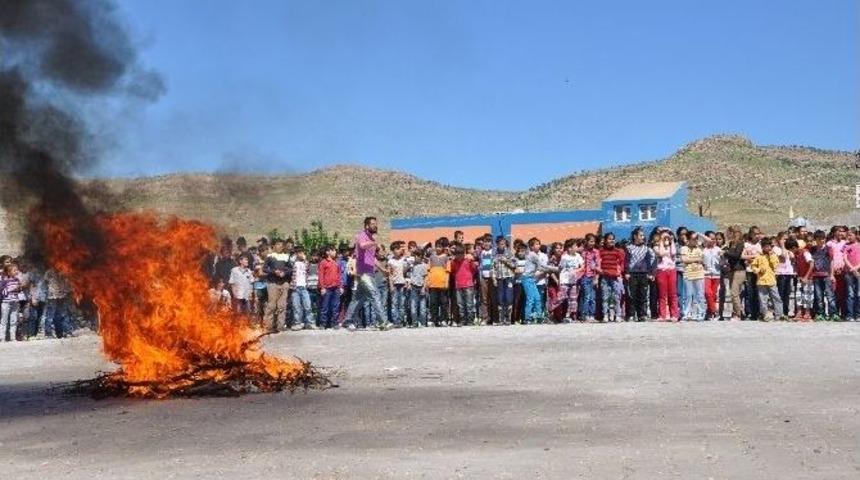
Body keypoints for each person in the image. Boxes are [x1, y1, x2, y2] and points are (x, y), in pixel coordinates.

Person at [343, 217, 389, 331]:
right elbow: (362, 245)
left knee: (358, 299)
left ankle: (347, 320)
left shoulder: (370, 239)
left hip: (369, 272)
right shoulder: (361, 235)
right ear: (366, 225)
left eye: (376, 224)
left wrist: (382, 270)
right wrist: (373, 242)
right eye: (372, 224)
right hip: (363, 273)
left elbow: (372, 259)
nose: (375, 226)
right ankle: (383, 322)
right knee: (375, 295)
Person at [522, 238, 559, 324]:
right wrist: (556, 269)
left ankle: (539, 317)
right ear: (531, 246)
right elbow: (541, 266)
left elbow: (542, 266)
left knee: (537, 298)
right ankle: (527, 318)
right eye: (536, 244)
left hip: (532, 279)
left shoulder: (535, 255)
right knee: (530, 298)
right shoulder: (532, 255)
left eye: (539, 244)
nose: (538, 246)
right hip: (527, 279)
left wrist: (550, 264)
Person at [262, 238, 293, 333]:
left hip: (284, 284)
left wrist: (285, 273)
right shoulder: (270, 256)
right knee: (271, 306)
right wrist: (274, 271)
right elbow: (265, 269)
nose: (280, 246)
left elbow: (291, 269)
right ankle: (268, 327)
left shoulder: (286, 256)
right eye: (278, 244)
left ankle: (280, 326)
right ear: (274, 246)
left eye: (281, 244)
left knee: (282, 306)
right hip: (273, 284)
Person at [750, 237, 783, 321]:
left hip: (771, 280)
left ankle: (779, 314)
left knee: (776, 297)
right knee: (762, 299)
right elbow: (753, 266)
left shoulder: (774, 255)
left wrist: (771, 255)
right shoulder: (759, 256)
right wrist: (758, 270)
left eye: (769, 246)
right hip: (761, 281)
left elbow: (775, 265)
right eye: (765, 246)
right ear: (762, 247)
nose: (768, 248)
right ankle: (764, 314)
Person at [625, 228, 654, 322]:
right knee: (632, 295)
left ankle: (642, 315)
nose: (643, 237)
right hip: (632, 274)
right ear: (635, 236)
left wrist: (650, 273)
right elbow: (626, 261)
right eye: (641, 235)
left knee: (643, 295)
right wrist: (626, 272)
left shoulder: (646, 249)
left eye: (643, 235)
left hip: (643, 274)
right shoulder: (629, 248)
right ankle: (632, 314)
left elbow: (649, 262)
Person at [810, 230, 838, 320]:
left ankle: (833, 313)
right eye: (819, 239)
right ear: (815, 239)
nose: (821, 241)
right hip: (816, 276)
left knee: (830, 295)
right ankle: (820, 314)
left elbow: (831, 262)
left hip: (827, 275)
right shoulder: (812, 249)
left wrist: (832, 275)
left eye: (823, 238)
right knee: (818, 296)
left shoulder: (828, 249)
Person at [654, 230, 679, 321]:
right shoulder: (657, 247)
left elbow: (673, 253)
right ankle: (662, 315)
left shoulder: (672, 246)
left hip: (671, 270)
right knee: (662, 294)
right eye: (664, 238)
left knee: (673, 294)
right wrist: (661, 241)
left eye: (667, 238)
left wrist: (671, 241)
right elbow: (660, 253)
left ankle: (674, 315)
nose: (666, 239)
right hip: (662, 271)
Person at [450, 243, 478, 326]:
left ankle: (470, 320)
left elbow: (474, 270)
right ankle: (462, 320)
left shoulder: (468, 261)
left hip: (468, 285)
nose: (459, 256)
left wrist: (469, 278)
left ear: (464, 254)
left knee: (469, 304)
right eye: (457, 254)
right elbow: (453, 273)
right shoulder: (453, 262)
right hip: (458, 286)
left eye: (461, 254)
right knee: (460, 304)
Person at [599, 233, 625, 322]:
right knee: (605, 297)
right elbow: (598, 264)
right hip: (605, 277)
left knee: (617, 297)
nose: (612, 241)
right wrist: (600, 271)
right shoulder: (601, 251)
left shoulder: (618, 251)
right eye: (609, 239)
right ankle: (605, 315)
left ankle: (617, 315)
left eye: (613, 239)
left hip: (616, 278)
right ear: (605, 241)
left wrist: (620, 271)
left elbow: (622, 264)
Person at [680, 232, 706, 321]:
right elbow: (684, 259)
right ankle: (686, 313)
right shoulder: (684, 248)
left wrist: (698, 233)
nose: (695, 241)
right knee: (688, 295)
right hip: (688, 273)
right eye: (693, 239)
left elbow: (708, 241)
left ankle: (700, 313)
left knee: (699, 295)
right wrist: (697, 259)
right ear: (688, 240)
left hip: (699, 274)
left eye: (696, 239)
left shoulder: (699, 249)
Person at [426, 238, 451, 327]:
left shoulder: (446, 258)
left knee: (444, 303)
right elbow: (428, 270)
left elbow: (447, 271)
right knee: (433, 303)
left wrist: (446, 283)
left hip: (442, 284)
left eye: (440, 247)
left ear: (443, 248)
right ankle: (434, 320)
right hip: (433, 284)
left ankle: (444, 319)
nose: (438, 248)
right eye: (437, 247)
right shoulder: (431, 257)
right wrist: (428, 282)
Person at [492, 236, 516, 325]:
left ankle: (508, 318)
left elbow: (514, 265)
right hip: (499, 279)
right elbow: (492, 268)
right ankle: (501, 318)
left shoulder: (509, 253)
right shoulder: (494, 254)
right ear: (497, 244)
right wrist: (494, 278)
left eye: (504, 244)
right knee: (500, 298)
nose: (502, 246)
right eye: (500, 244)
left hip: (508, 278)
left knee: (509, 298)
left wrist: (506, 261)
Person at [559, 238, 585, 322]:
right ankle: (563, 315)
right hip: (564, 281)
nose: (577, 247)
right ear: (570, 248)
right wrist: (559, 280)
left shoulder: (578, 256)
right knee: (563, 298)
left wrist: (576, 271)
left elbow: (583, 266)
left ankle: (573, 315)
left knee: (573, 298)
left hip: (573, 281)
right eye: (575, 246)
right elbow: (560, 268)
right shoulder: (564, 257)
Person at [724, 228, 747, 321]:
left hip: (739, 270)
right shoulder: (730, 244)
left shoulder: (740, 244)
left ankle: (739, 313)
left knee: (734, 293)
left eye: (729, 234)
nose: (727, 236)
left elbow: (736, 255)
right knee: (734, 293)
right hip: (732, 270)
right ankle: (736, 312)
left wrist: (725, 253)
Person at [290, 247, 316, 330]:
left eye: (303, 253)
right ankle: (297, 323)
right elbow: (290, 261)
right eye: (300, 253)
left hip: (304, 287)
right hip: (295, 287)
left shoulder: (305, 263)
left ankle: (310, 323)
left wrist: (304, 259)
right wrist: (296, 255)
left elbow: (308, 267)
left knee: (308, 306)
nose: (301, 254)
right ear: (296, 254)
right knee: (296, 307)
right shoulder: (293, 262)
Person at [318, 245, 343, 329]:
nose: (335, 252)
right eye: (333, 250)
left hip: (336, 288)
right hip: (327, 288)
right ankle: (323, 323)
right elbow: (321, 275)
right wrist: (322, 287)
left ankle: (334, 323)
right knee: (325, 306)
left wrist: (341, 286)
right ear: (328, 252)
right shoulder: (323, 262)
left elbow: (339, 275)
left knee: (335, 306)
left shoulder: (337, 262)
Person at [790, 237, 814, 321]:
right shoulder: (796, 255)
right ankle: (799, 313)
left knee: (808, 296)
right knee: (799, 296)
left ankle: (807, 313)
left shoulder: (805, 253)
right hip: (800, 278)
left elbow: (811, 265)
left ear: (794, 248)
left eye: (790, 250)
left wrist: (806, 277)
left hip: (808, 279)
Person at [579, 233, 601, 322]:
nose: (592, 243)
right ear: (586, 241)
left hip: (593, 277)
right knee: (586, 296)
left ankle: (592, 315)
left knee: (593, 297)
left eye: (594, 242)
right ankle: (585, 315)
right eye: (591, 241)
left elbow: (598, 265)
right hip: (584, 277)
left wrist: (597, 278)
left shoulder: (596, 252)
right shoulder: (583, 252)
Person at [773, 232, 796, 318]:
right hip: (780, 273)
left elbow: (793, 257)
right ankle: (779, 312)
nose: (785, 241)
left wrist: (789, 250)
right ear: (779, 240)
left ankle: (785, 311)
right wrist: (783, 246)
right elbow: (782, 257)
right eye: (784, 239)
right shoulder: (776, 249)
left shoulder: (787, 249)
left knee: (787, 293)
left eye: (786, 239)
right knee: (780, 293)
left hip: (788, 272)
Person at [477, 235, 498, 325]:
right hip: (483, 277)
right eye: (485, 242)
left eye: (488, 242)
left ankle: (494, 319)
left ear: (491, 243)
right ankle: (485, 318)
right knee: (484, 299)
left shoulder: (494, 252)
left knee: (493, 298)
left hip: (492, 278)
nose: (486, 243)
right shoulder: (481, 253)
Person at [387, 241, 408, 328]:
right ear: (393, 250)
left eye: (400, 249)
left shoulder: (404, 260)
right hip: (395, 284)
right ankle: (395, 321)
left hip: (402, 283)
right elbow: (390, 274)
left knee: (402, 303)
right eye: (397, 249)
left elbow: (406, 272)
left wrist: (407, 281)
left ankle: (401, 320)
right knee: (394, 303)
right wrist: (391, 285)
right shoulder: (390, 261)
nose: (399, 250)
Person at [702, 234, 723, 320]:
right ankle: (715, 311)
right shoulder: (703, 249)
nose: (712, 240)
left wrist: (721, 257)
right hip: (706, 274)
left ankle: (709, 313)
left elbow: (722, 262)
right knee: (707, 293)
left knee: (713, 295)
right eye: (710, 238)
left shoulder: (718, 249)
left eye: (714, 239)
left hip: (716, 274)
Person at [0, 262, 23, 341]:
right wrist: (11, 289)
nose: (16, 272)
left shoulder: (17, 280)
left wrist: (19, 288)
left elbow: (19, 291)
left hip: (15, 302)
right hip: (6, 303)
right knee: (4, 320)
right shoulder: (4, 281)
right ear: (9, 272)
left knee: (14, 320)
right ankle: (2, 338)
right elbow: (2, 292)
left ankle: (12, 338)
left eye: (17, 270)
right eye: (14, 270)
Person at [842, 228, 860, 322]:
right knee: (850, 294)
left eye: (850, 235)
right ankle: (850, 315)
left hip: (858, 272)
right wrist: (852, 269)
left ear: (855, 235)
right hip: (848, 273)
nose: (848, 237)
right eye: (847, 235)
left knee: (858, 294)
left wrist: (856, 268)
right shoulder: (846, 246)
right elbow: (845, 258)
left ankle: (858, 314)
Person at [408, 249, 429, 327]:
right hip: (413, 287)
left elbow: (426, 277)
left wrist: (424, 288)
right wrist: (410, 284)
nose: (416, 257)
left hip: (421, 287)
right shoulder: (412, 265)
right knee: (413, 306)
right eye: (415, 256)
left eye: (418, 256)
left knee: (422, 307)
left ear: (421, 257)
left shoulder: (424, 265)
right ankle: (414, 322)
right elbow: (410, 276)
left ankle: (423, 322)